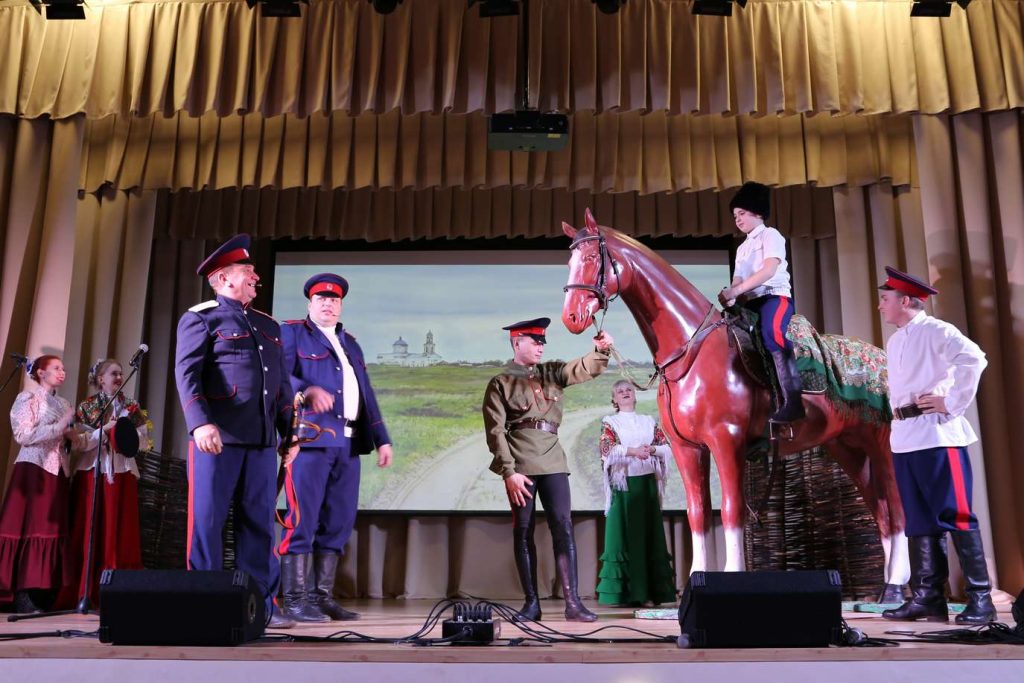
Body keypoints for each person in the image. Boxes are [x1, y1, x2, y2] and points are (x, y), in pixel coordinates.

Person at [174, 233, 297, 629]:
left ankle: (260, 607)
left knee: (259, 524)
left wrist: (288, 435)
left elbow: (280, 385)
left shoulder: (268, 324)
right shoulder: (201, 317)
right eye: (248, 271)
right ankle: (206, 603)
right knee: (207, 522)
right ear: (223, 278)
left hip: (261, 441)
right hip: (217, 439)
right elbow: (187, 374)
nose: (256, 276)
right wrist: (200, 423)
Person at [877, 266, 996, 624]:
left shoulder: (937, 330)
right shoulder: (896, 339)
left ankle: (981, 599)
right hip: (906, 436)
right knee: (919, 520)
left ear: (907, 301)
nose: (881, 307)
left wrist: (951, 401)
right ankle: (928, 597)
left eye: (885, 300)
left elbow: (974, 358)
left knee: (956, 515)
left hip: (938, 435)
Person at [277, 273, 393, 623]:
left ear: (341, 304)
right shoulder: (293, 333)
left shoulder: (350, 343)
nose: (328, 304)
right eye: (321, 299)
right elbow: (280, 377)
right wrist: (306, 389)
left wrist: (382, 438)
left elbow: (366, 394)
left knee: (339, 522)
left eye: (334, 300)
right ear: (310, 304)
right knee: (302, 520)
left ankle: (321, 597)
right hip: (311, 441)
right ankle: (295, 600)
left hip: (349, 444)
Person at [482, 317, 613, 623]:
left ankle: (573, 604)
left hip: (554, 461)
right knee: (524, 531)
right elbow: (495, 432)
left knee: (563, 528)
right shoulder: (501, 383)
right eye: (534, 341)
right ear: (517, 343)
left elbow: (582, 368)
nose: (541, 347)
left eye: (542, 342)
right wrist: (508, 471)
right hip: (521, 466)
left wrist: (600, 349)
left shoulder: (551, 373)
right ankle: (531, 604)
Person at [0, 355, 87, 613]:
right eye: (56, 368)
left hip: (56, 471)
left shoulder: (63, 403)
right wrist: (60, 425)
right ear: (40, 373)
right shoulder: (28, 398)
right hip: (33, 469)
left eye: (63, 367)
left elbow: (73, 440)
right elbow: (24, 435)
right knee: (27, 528)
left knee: (50, 531)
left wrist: (91, 435)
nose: (63, 371)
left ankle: (41, 594)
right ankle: (19, 593)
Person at [58, 359, 147, 608]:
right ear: (100, 379)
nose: (119, 377)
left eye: (120, 373)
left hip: (121, 472)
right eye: (114, 373)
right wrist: (104, 431)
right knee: (90, 528)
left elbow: (142, 441)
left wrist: (124, 434)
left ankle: (119, 592)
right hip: (93, 472)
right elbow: (80, 443)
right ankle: (86, 590)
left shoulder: (131, 407)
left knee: (121, 530)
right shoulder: (87, 407)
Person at [718, 181, 804, 425]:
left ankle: (794, 402)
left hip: (775, 298)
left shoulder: (771, 235)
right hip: (752, 302)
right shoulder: (743, 248)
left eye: (742, 213)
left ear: (757, 212)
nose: (737, 219)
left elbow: (768, 271)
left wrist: (738, 290)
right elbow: (737, 280)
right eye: (735, 215)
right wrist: (730, 295)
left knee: (773, 334)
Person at [595, 380, 676, 607]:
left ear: (635, 395)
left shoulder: (648, 421)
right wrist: (633, 451)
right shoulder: (610, 422)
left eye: (628, 390)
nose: (625, 393)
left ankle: (651, 592)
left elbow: (666, 447)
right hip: (624, 487)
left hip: (647, 484)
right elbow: (606, 450)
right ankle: (627, 594)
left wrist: (649, 449)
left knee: (648, 536)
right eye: (619, 391)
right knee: (626, 536)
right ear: (614, 400)